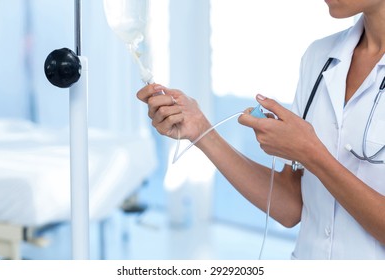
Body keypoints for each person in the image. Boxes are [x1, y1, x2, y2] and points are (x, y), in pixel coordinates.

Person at [137, 0, 385, 259]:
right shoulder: (320, 57)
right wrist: (201, 131)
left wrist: (312, 154)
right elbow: (290, 206)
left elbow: (313, 155)